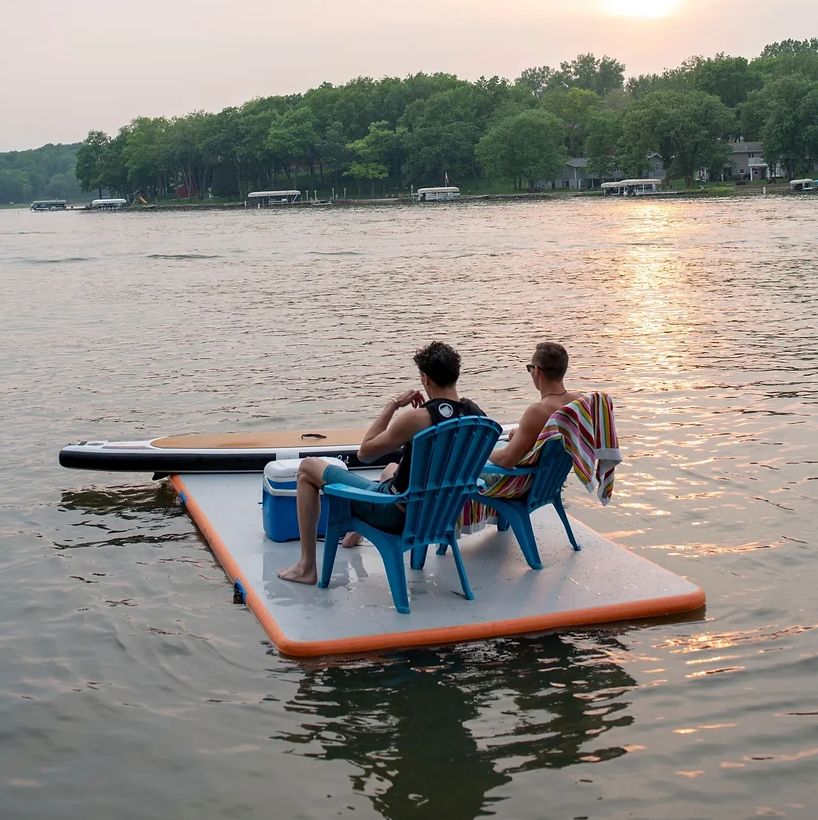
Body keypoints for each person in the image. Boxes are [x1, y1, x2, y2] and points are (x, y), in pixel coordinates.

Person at [278, 342, 485, 585]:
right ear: (455, 374)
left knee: (307, 468)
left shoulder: (418, 418)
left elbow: (365, 453)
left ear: (425, 379)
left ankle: (306, 567)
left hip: (396, 515)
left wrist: (393, 405)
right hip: (440, 514)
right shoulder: (478, 416)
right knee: (391, 469)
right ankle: (355, 534)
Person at [488, 342, 583, 472]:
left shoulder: (538, 411)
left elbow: (506, 460)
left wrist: (481, 450)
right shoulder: (579, 401)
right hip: (551, 481)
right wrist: (521, 431)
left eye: (530, 368)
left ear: (536, 371)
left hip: (519, 485)